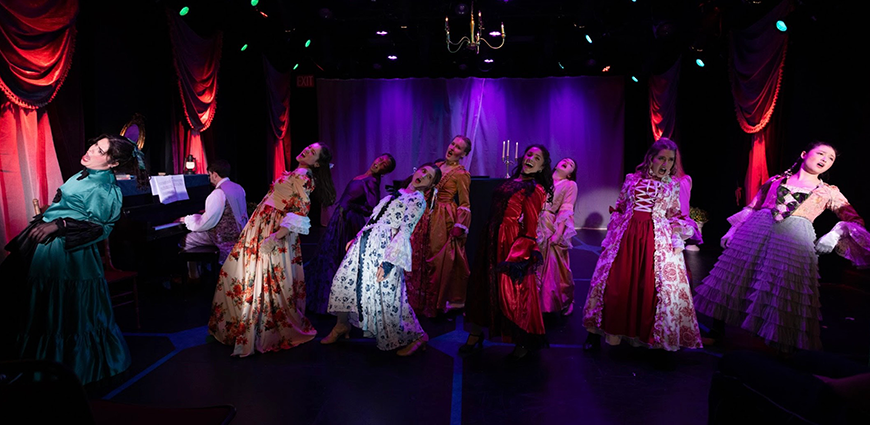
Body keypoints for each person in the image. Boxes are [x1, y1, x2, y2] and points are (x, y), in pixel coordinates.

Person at [693, 141, 870, 352]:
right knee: (733, 277)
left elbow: (855, 220)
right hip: (755, 232)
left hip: (793, 239)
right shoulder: (776, 180)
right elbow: (754, 206)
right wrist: (733, 229)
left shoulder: (828, 191)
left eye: (830, 158)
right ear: (804, 154)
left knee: (785, 287)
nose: (825, 159)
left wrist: (835, 233)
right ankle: (717, 333)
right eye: (821, 153)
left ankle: (781, 346)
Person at [1, 134, 149, 384]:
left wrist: (60, 224)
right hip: (50, 253)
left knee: (67, 312)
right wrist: (51, 216)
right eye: (93, 145)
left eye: (100, 150)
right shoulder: (84, 174)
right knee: (44, 308)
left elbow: (101, 227)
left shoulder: (105, 188)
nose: (90, 151)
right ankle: (37, 362)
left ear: (113, 163)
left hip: (72, 257)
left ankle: (70, 366)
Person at [208, 142, 336, 357]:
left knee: (262, 278)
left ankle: (260, 328)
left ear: (316, 163)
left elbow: (300, 211)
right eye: (308, 147)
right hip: (261, 224)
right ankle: (243, 325)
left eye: (313, 153)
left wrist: (276, 237)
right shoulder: (294, 174)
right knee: (239, 273)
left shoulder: (304, 177)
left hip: (273, 230)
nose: (306, 150)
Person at [582, 138, 702, 355]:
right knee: (613, 284)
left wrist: (677, 238)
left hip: (657, 238)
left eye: (670, 160)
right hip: (626, 236)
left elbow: (675, 213)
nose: (666, 163)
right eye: (662, 158)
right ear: (651, 158)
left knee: (653, 289)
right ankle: (595, 333)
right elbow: (620, 207)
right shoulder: (631, 179)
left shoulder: (674, 184)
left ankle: (657, 343)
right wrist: (610, 237)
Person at [322, 163, 442, 356]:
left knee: (388, 300)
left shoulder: (417, 200)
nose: (422, 175)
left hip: (385, 249)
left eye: (428, 176)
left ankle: (418, 336)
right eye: (422, 170)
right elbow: (374, 218)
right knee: (345, 282)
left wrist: (388, 263)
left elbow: (405, 231)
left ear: (430, 185)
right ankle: (341, 326)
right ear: (416, 170)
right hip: (366, 243)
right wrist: (358, 237)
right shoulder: (396, 193)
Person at [462, 144, 553, 360]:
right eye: (529, 154)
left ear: (541, 168)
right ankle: (475, 334)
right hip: (490, 236)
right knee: (482, 285)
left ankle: (523, 339)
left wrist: (520, 254)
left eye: (537, 158)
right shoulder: (513, 182)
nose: (531, 158)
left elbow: (530, 226)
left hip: (510, 242)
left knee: (513, 292)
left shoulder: (535, 189)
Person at [305, 153, 396, 314]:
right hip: (341, 217)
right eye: (381, 159)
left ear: (385, 171)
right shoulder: (365, 177)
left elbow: (371, 209)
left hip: (347, 221)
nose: (379, 163)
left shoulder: (372, 182)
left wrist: (350, 206)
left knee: (335, 258)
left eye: (384, 165)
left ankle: (332, 304)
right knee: (327, 257)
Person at [407, 135, 473, 317]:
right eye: (453, 143)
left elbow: (465, 203)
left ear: (464, 154)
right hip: (424, 212)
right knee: (417, 255)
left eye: (459, 147)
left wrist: (460, 224)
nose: (453, 148)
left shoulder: (461, 174)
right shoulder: (436, 165)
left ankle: (434, 304)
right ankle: (416, 301)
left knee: (436, 259)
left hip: (442, 218)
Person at [180, 159, 248, 280]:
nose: (210, 178)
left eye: (210, 175)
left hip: (222, 237)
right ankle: (205, 269)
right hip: (240, 233)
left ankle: (194, 276)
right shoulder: (239, 188)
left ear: (215, 174)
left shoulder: (217, 193)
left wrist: (187, 220)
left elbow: (206, 223)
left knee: (186, 240)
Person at [538, 158, 578, 315]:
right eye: (564, 160)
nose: (567, 162)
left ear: (570, 174)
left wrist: (559, 233)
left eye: (571, 165)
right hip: (534, 221)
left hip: (549, 224)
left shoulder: (570, 185)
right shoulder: (543, 180)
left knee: (553, 264)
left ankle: (560, 300)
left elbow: (566, 210)